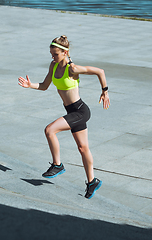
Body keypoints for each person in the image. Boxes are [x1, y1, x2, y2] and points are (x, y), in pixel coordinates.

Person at [18, 35, 110, 199]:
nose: (53, 57)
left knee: (50, 130)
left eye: (56, 54)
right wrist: (29, 85)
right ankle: (92, 181)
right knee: (83, 148)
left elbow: (99, 71)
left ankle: (57, 165)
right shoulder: (53, 66)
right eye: (51, 54)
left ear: (65, 52)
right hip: (71, 112)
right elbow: (45, 86)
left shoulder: (72, 68)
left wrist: (105, 91)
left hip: (80, 111)